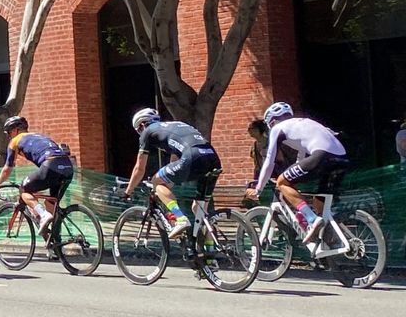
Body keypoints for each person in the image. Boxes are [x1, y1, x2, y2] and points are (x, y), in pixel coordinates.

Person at [245, 102, 349, 242]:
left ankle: (311, 219)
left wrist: (259, 188)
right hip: (342, 158)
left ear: (273, 121)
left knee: (282, 182)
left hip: (321, 156)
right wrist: (292, 173)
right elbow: (301, 156)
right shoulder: (307, 122)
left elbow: (269, 162)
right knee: (319, 203)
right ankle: (329, 244)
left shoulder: (278, 128)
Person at [121, 109, 220, 239]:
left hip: (192, 157)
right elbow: (174, 162)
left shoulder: (147, 132)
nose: (140, 134)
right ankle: (210, 254)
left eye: (138, 131)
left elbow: (139, 169)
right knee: (200, 210)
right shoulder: (174, 126)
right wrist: (167, 185)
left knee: (156, 180)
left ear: (142, 125)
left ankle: (180, 218)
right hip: (213, 159)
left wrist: (128, 191)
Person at [0, 116, 74, 233]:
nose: (9, 136)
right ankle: (55, 241)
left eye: (9, 132)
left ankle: (43, 214)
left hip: (51, 165)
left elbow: (7, 168)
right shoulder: (41, 136)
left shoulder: (15, 141)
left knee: (24, 189)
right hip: (68, 167)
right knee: (51, 203)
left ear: (15, 130)